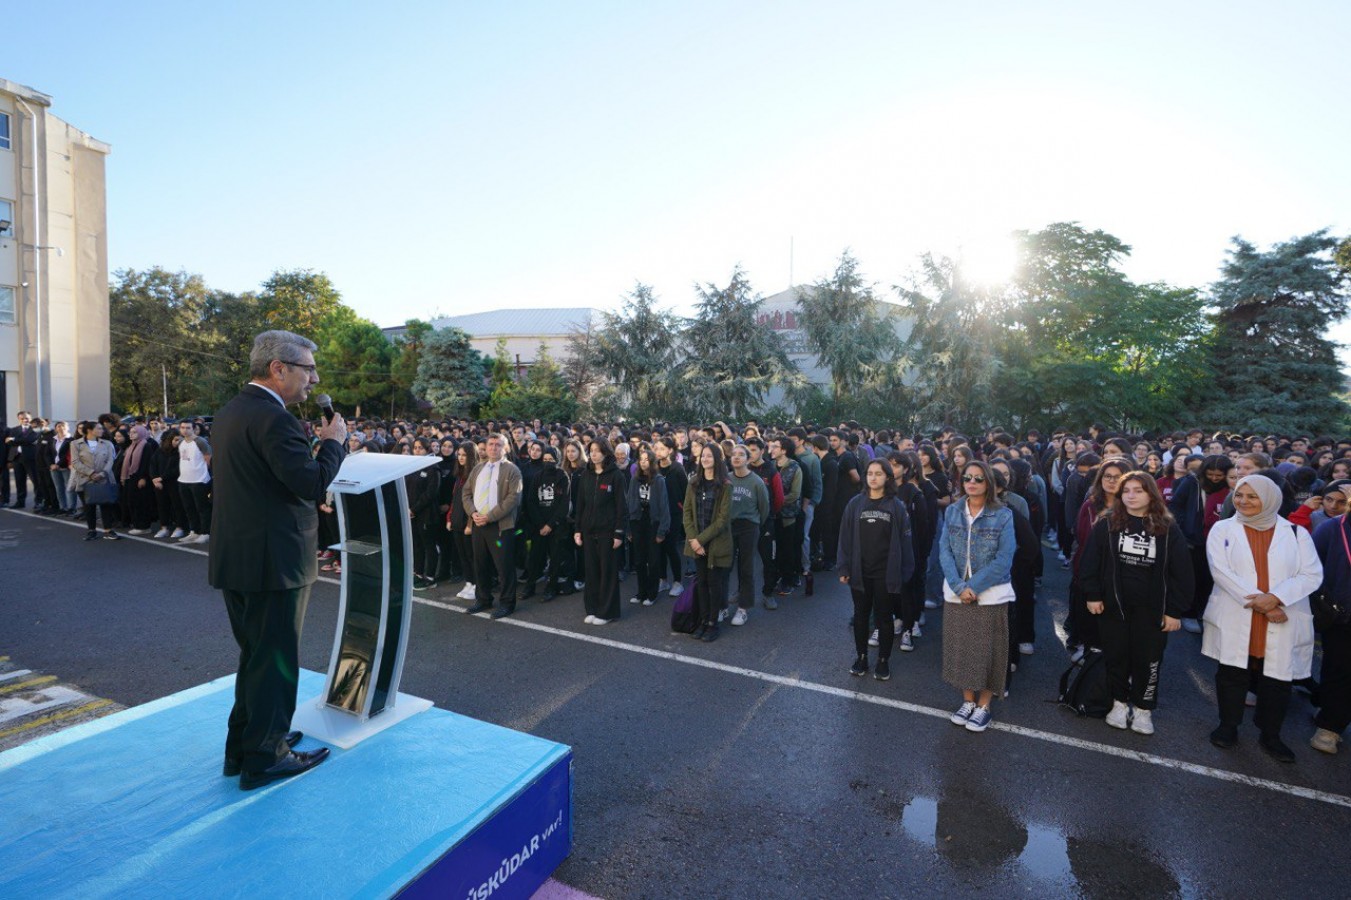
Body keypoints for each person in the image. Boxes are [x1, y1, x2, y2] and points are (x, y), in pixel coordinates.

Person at [207, 330, 347, 791]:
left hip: (241, 558)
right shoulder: (274, 419)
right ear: (278, 369)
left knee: (255, 658)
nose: (315, 378)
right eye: (308, 369)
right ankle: (266, 757)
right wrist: (333, 444)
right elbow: (309, 483)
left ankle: (245, 745)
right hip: (275, 563)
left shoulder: (231, 412)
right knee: (276, 662)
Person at [1204, 474, 1323, 762]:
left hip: (1282, 615)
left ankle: (1271, 735)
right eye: (1240, 495)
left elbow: (1311, 574)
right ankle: (1228, 726)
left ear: (1270, 499)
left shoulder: (1296, 533)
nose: (1243, 501)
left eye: (1252, 496)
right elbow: (1221, 572)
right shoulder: (1222, 529)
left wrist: (1277, 598)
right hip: (1244, 612)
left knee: (1277, 680)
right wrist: (1266, 605)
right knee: (1232, 673)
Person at [1079, 473, 1193, 734]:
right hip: (1113, 607)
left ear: (1151, 494)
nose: (1131, 495)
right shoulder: (1107, 522)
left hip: (1151, 610)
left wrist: (1174, 611)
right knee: (1116, 655)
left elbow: (1182, 573)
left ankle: (1143, 708)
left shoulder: (1167, 527)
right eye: (1126, 491)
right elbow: (1089, 563)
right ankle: (1119, 703)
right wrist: (1093, 595)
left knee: (1149, 659)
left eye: (1138, 490)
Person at [940, 460, 1016, 733]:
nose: (971, 482)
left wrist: (975, 585)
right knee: (962, 649)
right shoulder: (952, 511)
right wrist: (961, 587)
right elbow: (944, 551)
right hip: (958, 593)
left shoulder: (1003, 515)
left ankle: (984, 706)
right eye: (967, 478)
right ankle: (967, 701)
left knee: (989, 650)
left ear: (989, 484)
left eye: (978, 478)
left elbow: (1004, 558)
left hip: (991, 594)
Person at [837, 458, 915, 681]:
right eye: (869, 473)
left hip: (886, 573)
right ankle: (861, 657)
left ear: (888, 478)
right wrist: (843, 566)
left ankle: (883, 660)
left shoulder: (897, 507)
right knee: (861, 616)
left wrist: (905, 573)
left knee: (884, 617)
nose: (873, 477)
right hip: (859, 572)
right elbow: (844, 538)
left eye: (878, 473)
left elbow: (906, 542)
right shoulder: (855, 504)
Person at [462, 433, 524, 618]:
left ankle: (507, 603)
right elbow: (465, 494)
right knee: (480, 564)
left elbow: (513, 499)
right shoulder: (478, 468)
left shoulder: (512, 470)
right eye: (490, 444)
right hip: (478, 525)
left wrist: (489, 517)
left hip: (500, 526)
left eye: (498, 445)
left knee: (503, 567)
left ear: (505, 448)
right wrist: (473, 513)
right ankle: (483, 599)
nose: (493, 448)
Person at [1311, 486, 1351, 754]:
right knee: (1340, 669)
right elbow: (1311, 570)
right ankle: (1330, 726)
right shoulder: (1332, 529)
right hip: (1342, 616)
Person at [574, 436, 626, 625]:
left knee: (607, 573)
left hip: (608, 532)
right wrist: (577, 529)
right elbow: (580, 504)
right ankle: (593, 608)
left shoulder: (616, 476)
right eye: (591, 451)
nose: (593, 454)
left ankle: (607, 611)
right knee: (592, 572)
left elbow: (621, 507)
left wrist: (619, 533)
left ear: (605, 453)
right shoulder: (585, 474)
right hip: (588, 531)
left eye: (597, 450)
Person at [683, 442, 732, 642]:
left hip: (715, 543)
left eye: (710, 456)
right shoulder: (694, 482)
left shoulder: (726, 485)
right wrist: (694, 539)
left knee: (714, 583)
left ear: (717, 460)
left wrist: (699, 540)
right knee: (701, 582)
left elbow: (722, 520)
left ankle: (713, 623)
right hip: (697, 542)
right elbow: (686, 512)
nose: (705, 459)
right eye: (703, 456)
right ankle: (703, 621)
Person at [521, 445, 573, 601]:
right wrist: (540, 524)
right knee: (534, 557)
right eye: (545, 460)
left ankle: (551, 588)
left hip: (556, 526)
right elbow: (531, 501)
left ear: (557, 460)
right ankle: (530, 586)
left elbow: (564, 503)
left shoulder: (562, 476)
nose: (548, 462)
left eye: (551, 460)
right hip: (539, 525)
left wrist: (550, 525)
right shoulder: (538, 476)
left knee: (555, 558)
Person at [727, 444, 770, 626]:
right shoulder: (726, 479)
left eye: (741, 455)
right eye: (733, 454)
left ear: (748, 459)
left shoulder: (756, 482)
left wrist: (755, 524)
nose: (736, 457)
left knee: (746, 567)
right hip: (728, 526)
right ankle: (721, 606)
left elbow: (764, 508)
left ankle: (743, 608)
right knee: (725, 566)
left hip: (749, 526)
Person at [626, 446, 670, 607]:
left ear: (652, 462)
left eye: (646, 460)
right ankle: (641, 591)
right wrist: (628, 528)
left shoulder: (658, 480)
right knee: (639, 560)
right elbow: (629, 501)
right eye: (641, 460)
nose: (643, 463)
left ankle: (652, 593)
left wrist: (662, 530)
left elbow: (664, 506)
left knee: (653, 560)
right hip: (637, 521)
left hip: (653, 522)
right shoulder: (634, 479)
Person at [70, 421, 121, 541]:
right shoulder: (76, 444)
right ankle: (91, 530)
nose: (102, 430)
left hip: (104, 478)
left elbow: (110, 460)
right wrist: (91, 473)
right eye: (99, 428)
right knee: (89, 506)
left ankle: (108, 530)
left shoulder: (107, 443)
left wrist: (103, 473)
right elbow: (75, 462)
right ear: (89, 430)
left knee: (106, 505)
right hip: (85, 479)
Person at [406, 437, 441, 590]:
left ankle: (431, 577)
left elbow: (430, 493)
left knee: (429, 545)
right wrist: (408, 509)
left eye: (421, 448)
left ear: (427, 449)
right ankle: (418, 573)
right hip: (412, 514)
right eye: (415, 448)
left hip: (426, 514)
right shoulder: (411, 466)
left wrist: (414, 509)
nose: (417, 450)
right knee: (417, 544)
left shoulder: (433, 468)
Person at [177, 420, 213, 545]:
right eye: (182, 427)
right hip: (184, 480)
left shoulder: (200, 441)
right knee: (189, 507)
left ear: (193, 429)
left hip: (199, 480)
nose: (185, 430)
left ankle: (205, 533)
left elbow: (208, 457)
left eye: (188, 427)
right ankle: (194, 531)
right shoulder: (181, 442)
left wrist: (202, 472)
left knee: (202, 508)